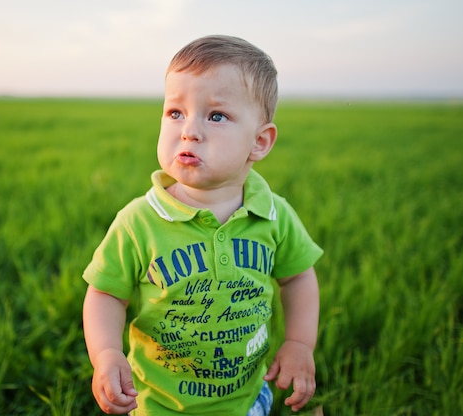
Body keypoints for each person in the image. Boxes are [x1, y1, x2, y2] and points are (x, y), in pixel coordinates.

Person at [83, 35, 323, 415]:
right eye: (175, 112)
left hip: (244, 400)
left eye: (216, 116)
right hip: (157, 402)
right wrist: (107, 353)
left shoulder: (273, 215)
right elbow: (106, 294)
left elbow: (298, 278)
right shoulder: (139, 221)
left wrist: (298, 343)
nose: (189, 131)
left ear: (259, 142)